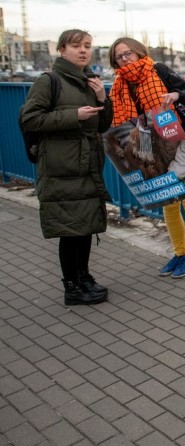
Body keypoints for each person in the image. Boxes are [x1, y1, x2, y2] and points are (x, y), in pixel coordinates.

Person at [19, 29, 114, 306]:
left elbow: (102, 124)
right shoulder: (49, 81)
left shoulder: (88, 82)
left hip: (86, 165)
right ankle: (71, 287)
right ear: (62, 50)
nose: (83, 51)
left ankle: (84, 278)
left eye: (87, 46)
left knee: (84, 226)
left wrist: (102, 100)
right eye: (76, 46)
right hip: (62, 166)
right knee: (70, 229)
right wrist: (73, 115)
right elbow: (30, 119)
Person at [108, 37, 185, 279]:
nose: (124, 59)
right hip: (156, 149)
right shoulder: (120, 86)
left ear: (139, 52)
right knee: (168, 203)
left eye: (127, 53)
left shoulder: (158, 70)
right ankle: (179, 252)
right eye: (118, 57)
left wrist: (174, 95)